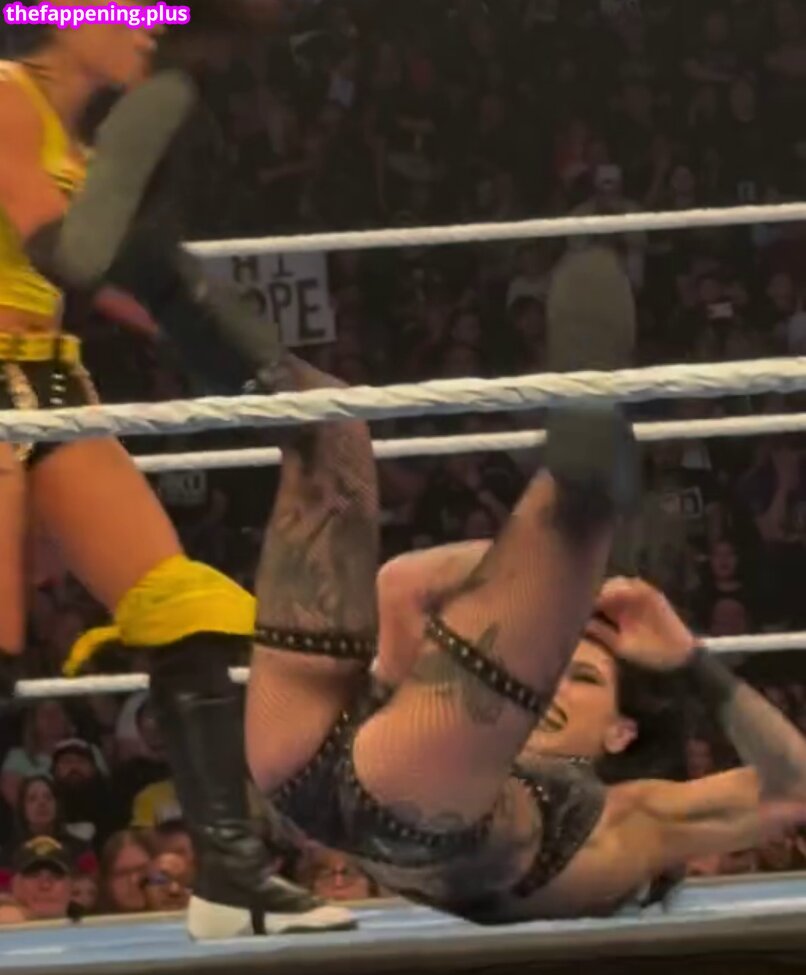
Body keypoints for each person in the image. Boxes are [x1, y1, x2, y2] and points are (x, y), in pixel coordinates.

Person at [239, 248, 806, 924]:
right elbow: (401, 585)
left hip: (382, 789)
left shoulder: (634, 820)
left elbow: (796, 789)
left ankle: (584, 488)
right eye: (560, 662)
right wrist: (556, 591)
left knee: (581, 509)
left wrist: (691, 661)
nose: (550, 680)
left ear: (621, 732)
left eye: (583, 677)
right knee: (327, 427)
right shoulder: (435, 719)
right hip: (331, 764)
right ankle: (163, 281)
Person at [0, 2, 349, 937]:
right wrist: (155, 267)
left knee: (178, 604)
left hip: (47, 382)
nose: (152, 27)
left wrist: (258, 365)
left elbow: (118, 284)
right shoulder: (3, 98)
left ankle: (228, 872)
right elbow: (54, 242)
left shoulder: (77, 137)